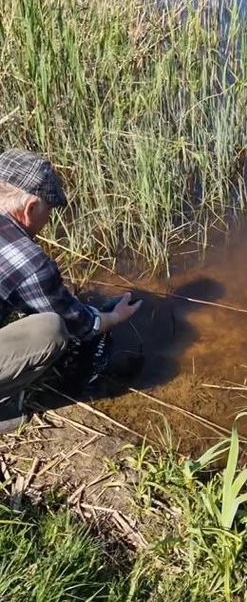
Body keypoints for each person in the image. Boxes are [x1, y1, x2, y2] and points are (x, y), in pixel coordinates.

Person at [0, 148, 142, 433]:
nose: (48, 220)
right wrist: (113, 318)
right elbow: (79, 325)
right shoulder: (28, 261)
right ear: (30, 208)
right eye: (48, 210)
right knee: (49, 330)